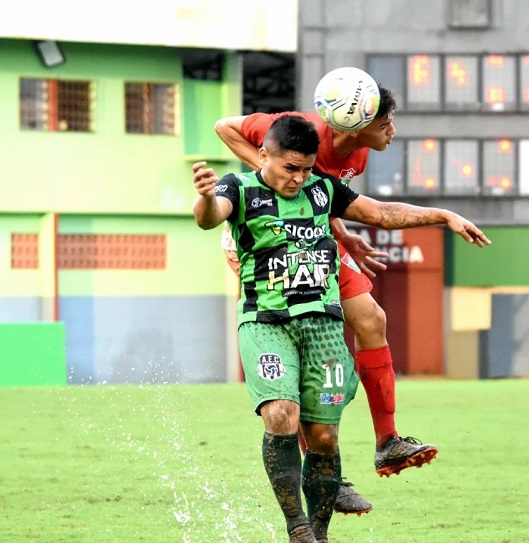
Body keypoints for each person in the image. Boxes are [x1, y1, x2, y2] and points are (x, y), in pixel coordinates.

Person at [193, 115, 489, 543]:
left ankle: (319, 532)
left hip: (323, 328)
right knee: (280, 415)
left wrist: (443, 216)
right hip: (267, 324)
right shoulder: (237, 189)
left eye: (306, 169)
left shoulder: (324, 190)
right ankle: (297, 527)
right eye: (289, 168)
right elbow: (208, 218)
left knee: (325, 437)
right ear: (263, 155)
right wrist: (203, 199)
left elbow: (381, 214)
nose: (298, 179)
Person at [215, 84, 447, 515]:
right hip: (265, 239)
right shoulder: (299, 131)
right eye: (386, 122)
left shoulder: (356, 154)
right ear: (358, 123)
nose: (392, 130)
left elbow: (326, 198)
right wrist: (271, 176)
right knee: (298, 352)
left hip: (315, 239)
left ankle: (387, 441)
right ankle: (327, 477)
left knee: (371, 319)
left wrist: (338, 230)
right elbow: (224, 127)